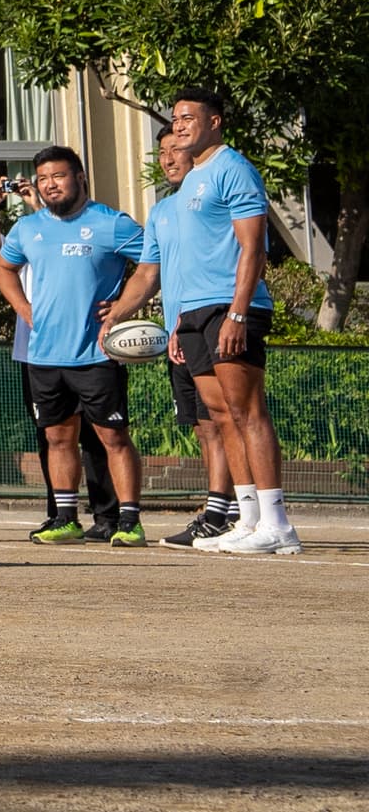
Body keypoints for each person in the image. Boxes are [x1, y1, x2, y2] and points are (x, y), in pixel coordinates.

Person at [0, 146, 159, 547]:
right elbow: (4, 266)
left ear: (80, 178)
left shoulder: (111, 223)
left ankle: (129, 520)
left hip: (97, 353)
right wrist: (23, 307)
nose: (50, 185)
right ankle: (66, 518)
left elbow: (152, 265)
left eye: (59, 176)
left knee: (112, 437)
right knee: (57, 438)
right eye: (43, 178)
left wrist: (122, 307)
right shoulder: (29, 228)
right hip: (44, 355)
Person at [151, 90, 296, 556]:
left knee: (247, 411)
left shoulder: (234, 168)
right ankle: (249, 519)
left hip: (231, 307)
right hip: (193, 312)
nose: (179, 127)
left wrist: (237, 312)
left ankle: (278, 524)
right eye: (175, 120)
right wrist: (177, 323)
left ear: (215, 121)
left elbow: (254, 249)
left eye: (188, 118)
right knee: (220, 415)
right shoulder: (192, 180)